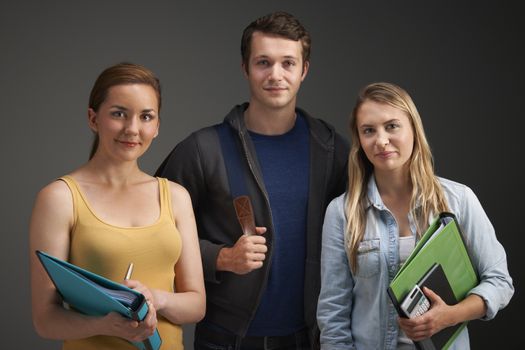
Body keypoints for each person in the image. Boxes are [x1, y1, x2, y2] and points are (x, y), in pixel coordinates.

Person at [155, 11, 349, 350]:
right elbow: (152, 235)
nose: (276, 75)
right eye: (263, 62)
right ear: (245, 68)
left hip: (312, 340)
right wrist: (221, 257)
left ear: (304, 70)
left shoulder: (331, 150)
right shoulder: (204, 150)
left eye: (288, 63)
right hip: (225, 339)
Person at [316, 82, 514, 350]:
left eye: (392, 126)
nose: (381, 140)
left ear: (413, 128)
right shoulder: (342, 212)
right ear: (359, 140)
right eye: (369, 131)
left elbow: (500, 282)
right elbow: (333, 314)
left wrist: (450, 316)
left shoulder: (458, 200)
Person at [29, 62, 206, 350]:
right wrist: (104, 324)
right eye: (118, 114)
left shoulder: (175, 196)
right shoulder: (59, 198)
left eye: (146, 116)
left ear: (157, 125)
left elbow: (196, 304)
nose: (132, 129)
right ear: (92, 118)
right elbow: (44, 318)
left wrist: (155, 299)